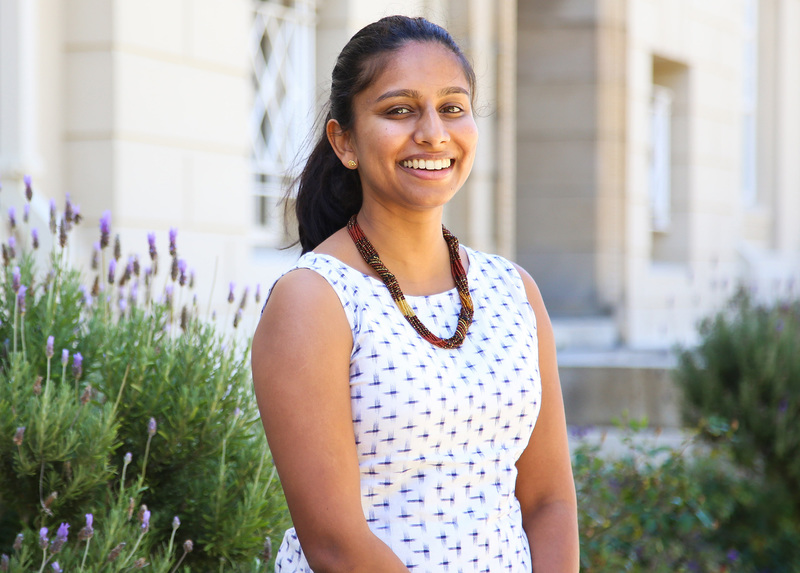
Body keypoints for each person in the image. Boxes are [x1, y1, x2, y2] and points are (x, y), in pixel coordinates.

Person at [251, 15, 579, 572]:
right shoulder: (315, 300)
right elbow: (334, 545)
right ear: (345, 141)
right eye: (399, 110)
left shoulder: (514, 291)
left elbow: (548, 501)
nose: (433, 132)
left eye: (452, 107)